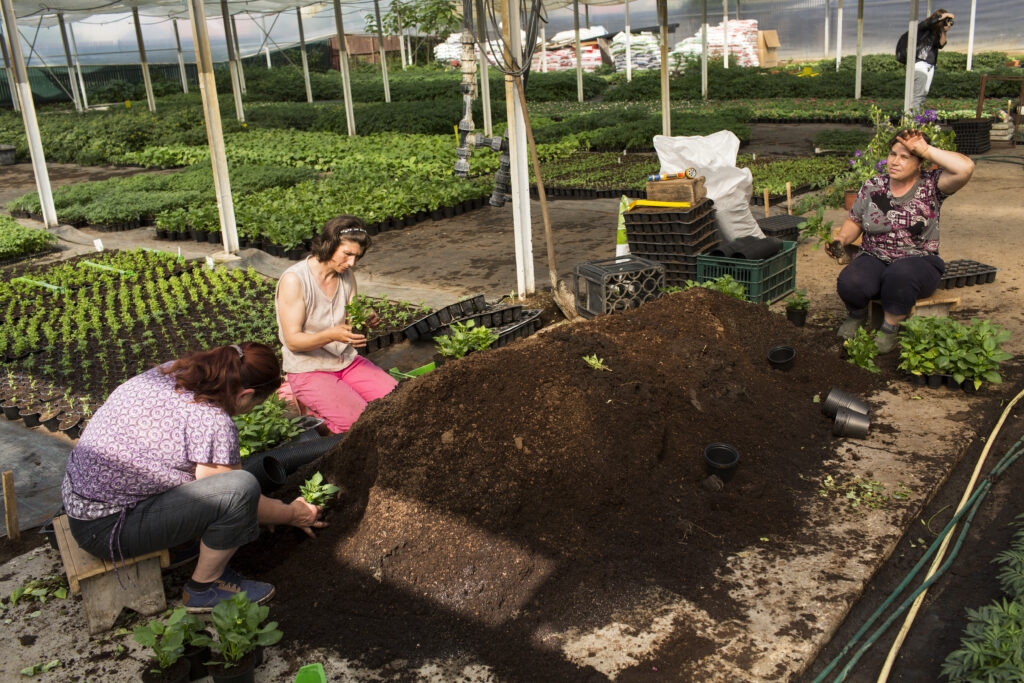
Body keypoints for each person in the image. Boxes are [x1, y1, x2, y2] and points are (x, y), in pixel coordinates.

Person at [62, 342, 326, 612]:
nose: (251, 409)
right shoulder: (211, 422)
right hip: (107, 528)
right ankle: (206, 587)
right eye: (256, 403)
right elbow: (235, 495)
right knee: (242, 486)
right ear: (244, 394)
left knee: (232, 484)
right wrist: (293, 514)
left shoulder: (166, 374)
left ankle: (186, 548)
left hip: (83, 503)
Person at [829, 130, 974, 354]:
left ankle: (889, 327)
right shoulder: (874, 186)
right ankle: (857, 314)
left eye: (905, 157)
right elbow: (854, 220)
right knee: (851, 280)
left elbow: (965, 168)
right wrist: (841, 238)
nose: (895, 162)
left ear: (919, 163)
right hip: (876, 256)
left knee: (899, 275)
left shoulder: (932, 186)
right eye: (892, 154)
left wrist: (926, 149)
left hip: (919, 262)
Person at [276, 215, 397, 434]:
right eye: (347, 254)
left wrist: (364, 318)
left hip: (347, 362)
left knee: (398, 402)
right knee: (359, 425)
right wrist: (331, 334)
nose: (351, 263)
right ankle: (314, 417)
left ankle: (333, 402)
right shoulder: (295, 280)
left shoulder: (346, 275)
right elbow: (293, 341)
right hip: (309, 369)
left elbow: (351, 323)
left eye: (357, 257)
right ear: (328, 244)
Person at [909, 9, 955, 111]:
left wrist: (944, 30)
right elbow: (927, 23)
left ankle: (917, 120)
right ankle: (913, 123)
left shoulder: (936, 33)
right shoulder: (925, 28)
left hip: (930, 66)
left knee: (923, 95)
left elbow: (941, 44)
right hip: (920, 63)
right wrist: (945, 16)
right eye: (945, 20)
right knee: (918, 95)